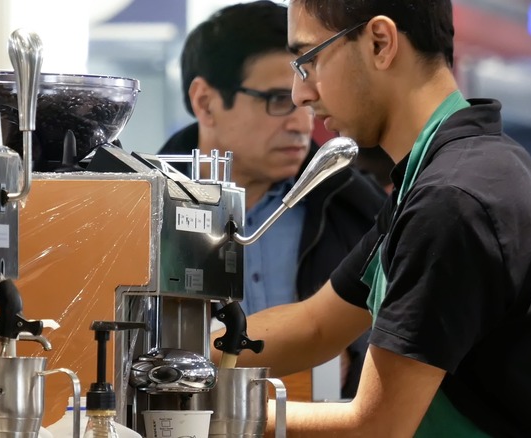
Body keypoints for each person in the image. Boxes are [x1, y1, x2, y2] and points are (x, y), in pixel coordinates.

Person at [211, 0, 531, 436]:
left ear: (380, 43)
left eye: (309, 61)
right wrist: (173, 354)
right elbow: (316, 326)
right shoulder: (440, 175)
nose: (301, 94)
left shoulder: (451, 199)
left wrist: (216, 412)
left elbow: (377, 426)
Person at [158, 0, 387, 398]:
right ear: (206, 102)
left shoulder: (349, 203)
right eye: (279, 101)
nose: (302, 123)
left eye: (307, 100)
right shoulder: (145, 211)